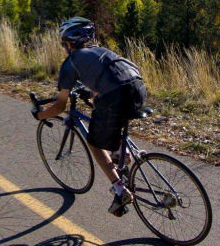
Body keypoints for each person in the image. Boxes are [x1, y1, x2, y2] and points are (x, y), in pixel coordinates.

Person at [33, 17, 148, 216]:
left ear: (68, 43)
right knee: (108, 117)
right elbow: (110, 75)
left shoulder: (70, 63)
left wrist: (41, 115)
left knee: (94, 141)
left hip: (115, 95)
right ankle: (124, 154)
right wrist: (94, 93)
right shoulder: (101, 51)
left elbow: (60, 106)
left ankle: (120, 190)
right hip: (138, 87)